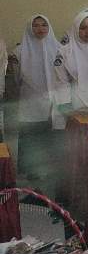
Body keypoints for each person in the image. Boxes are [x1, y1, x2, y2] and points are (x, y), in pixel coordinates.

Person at [12, 15, 62, 188]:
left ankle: (48, 169)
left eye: (44, 25)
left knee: (48, 136)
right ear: (30, 28)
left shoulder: (59, 49)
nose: (40, 29)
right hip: (30, 102)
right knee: (31, 136)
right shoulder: (19, 52)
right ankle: (31, 170)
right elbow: (16, 79)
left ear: (49, 28)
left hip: (53, 101)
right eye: (36, 25)